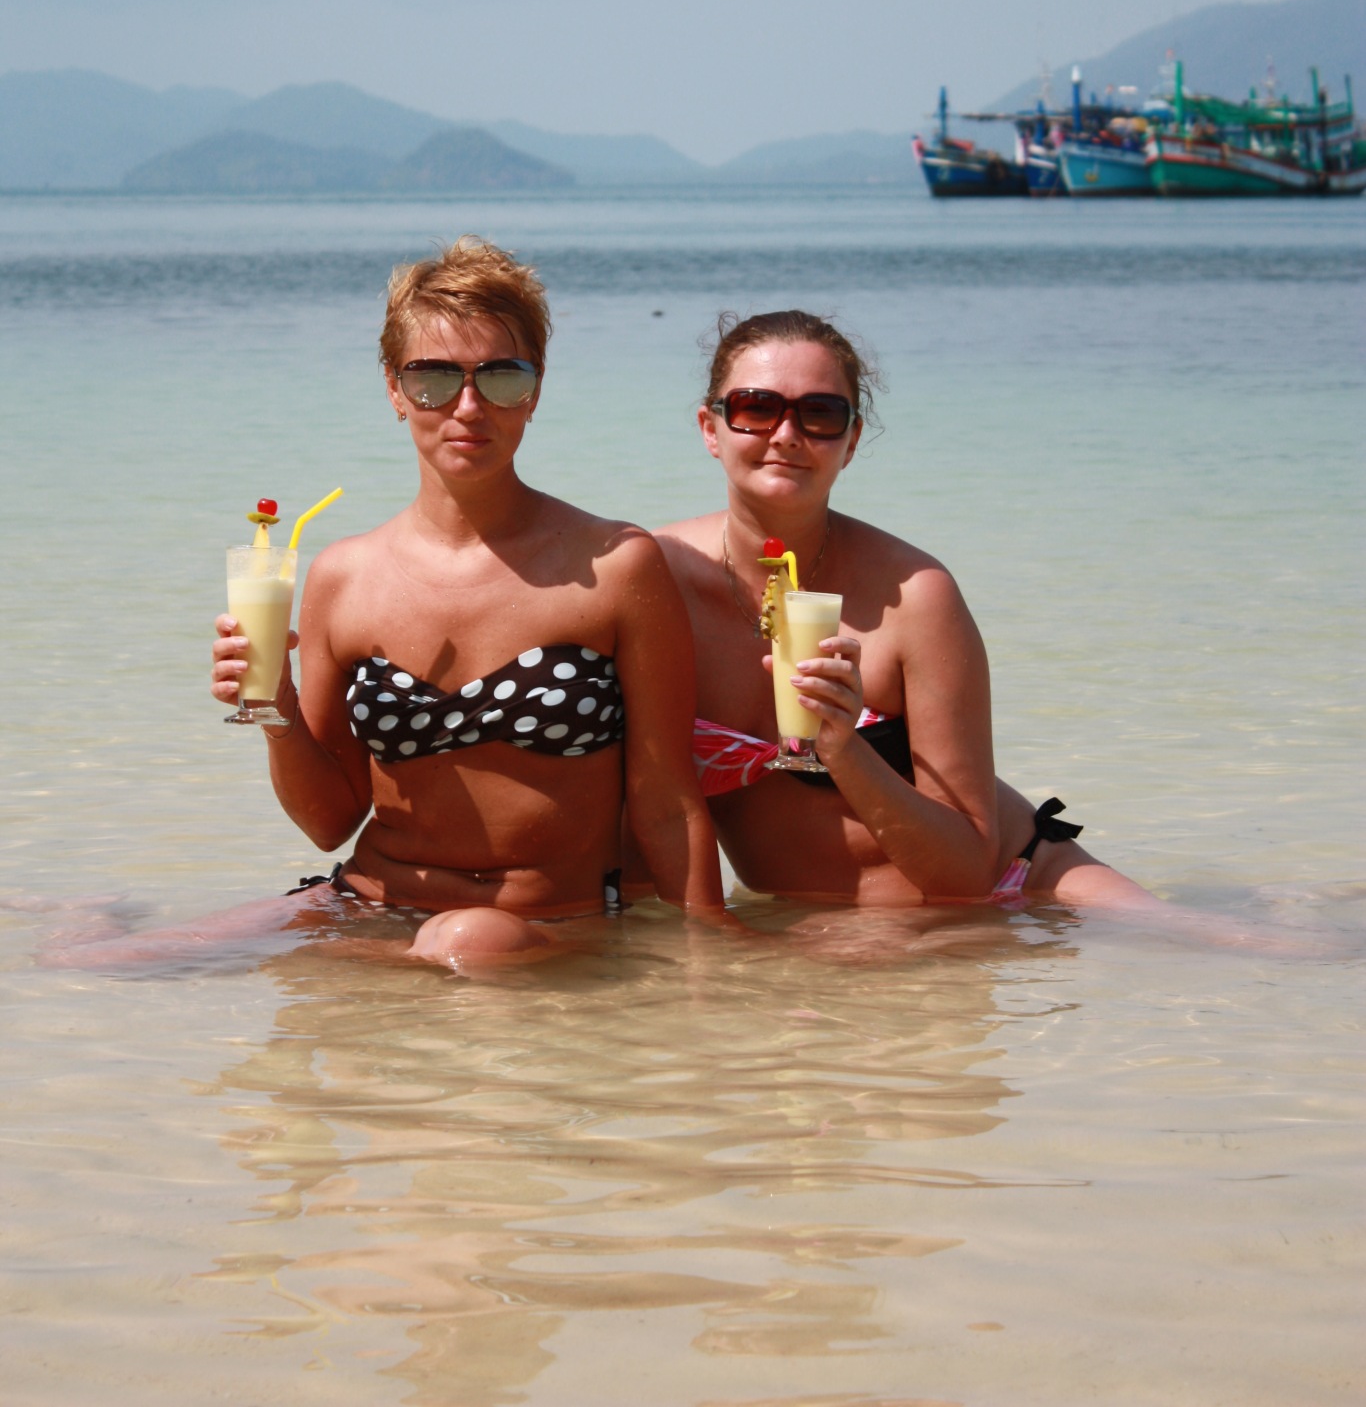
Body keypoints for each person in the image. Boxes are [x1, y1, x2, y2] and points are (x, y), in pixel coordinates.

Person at [53, 239, 722, 974]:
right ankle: (90, 915)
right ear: (394, 389)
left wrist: (710, 957)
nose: (468, 406)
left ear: (535, 389)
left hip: (548, 923)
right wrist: (275, 708)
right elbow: (328, 822)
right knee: (86, 969)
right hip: (370, 903)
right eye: (433, 378)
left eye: (501, 376)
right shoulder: (345, 577)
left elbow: (666, 800)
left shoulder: (616, 565)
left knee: (468, 942)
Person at [656, 308, 1160, 913]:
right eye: (757, 408)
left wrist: (844, 749)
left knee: (1231, 948)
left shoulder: (915, 594)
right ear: (711, 429)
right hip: (839, 931)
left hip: (1018, 880)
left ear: (851, 441)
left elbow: (966, 874)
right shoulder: (653, 581)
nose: (786, 434)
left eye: (821, 414)